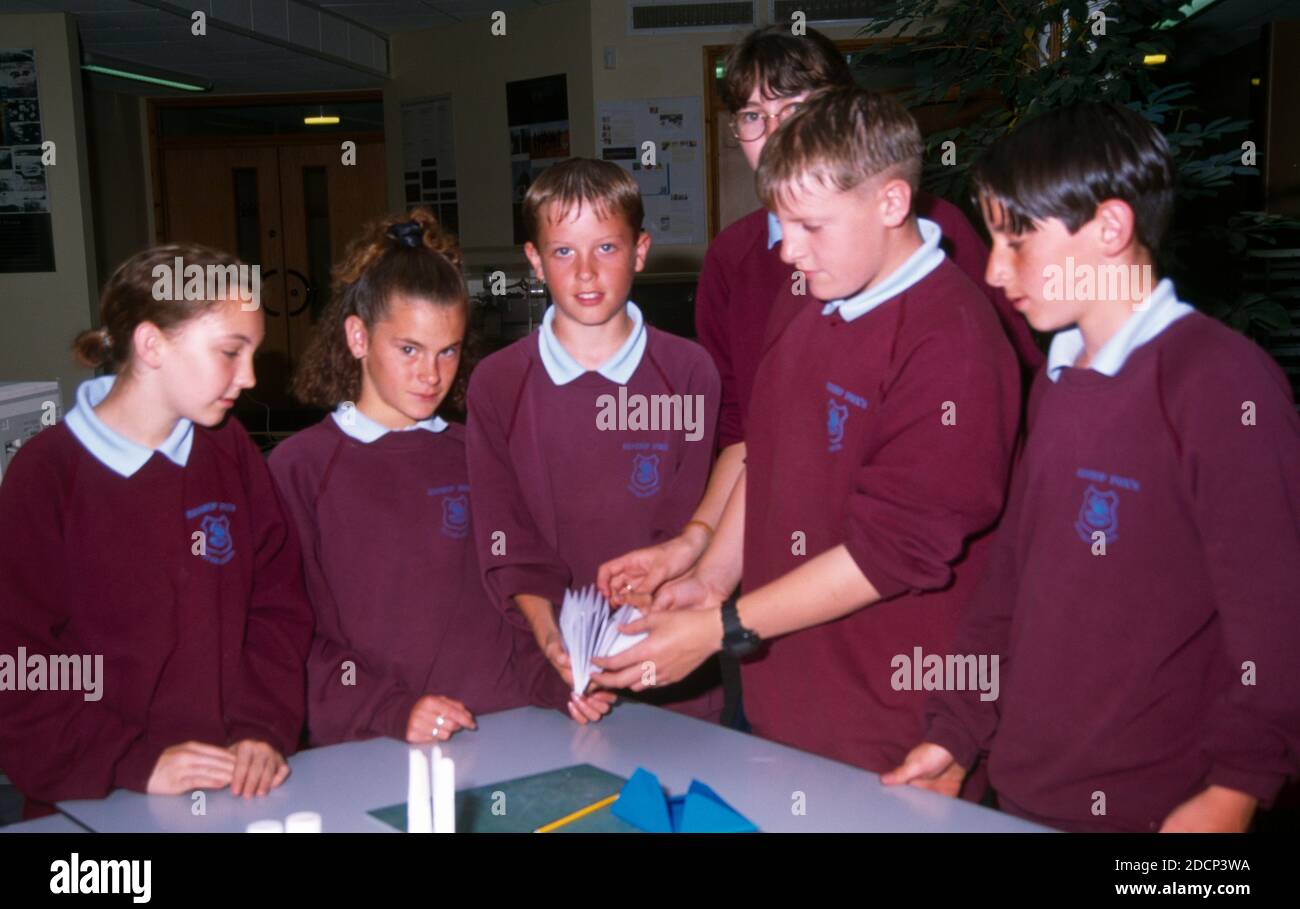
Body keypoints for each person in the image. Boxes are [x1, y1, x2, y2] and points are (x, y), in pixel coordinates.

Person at [884, 102, 1300, 832]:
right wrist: (956, 730)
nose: (992, 267)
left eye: (1018, 240)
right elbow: (1011, 579)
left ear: (1111, 227)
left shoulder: (1221, 383)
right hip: (1022, 792)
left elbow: (1275, 616)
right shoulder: (1058, 376)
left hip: (1163, 814)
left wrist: (1236, 788)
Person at [592, 88, 1021, 777]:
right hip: (783, 711)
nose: (788, 250)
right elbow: (766, 454)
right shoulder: (814, 292)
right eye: (781, 222)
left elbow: (890, 555)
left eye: (811, 226)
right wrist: (709, 580)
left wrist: (716, 629)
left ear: (890, 204)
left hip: (891, 732)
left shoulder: (952, 341)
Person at [597, 24, 1040, 607]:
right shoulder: (736, 258)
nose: (776, 129)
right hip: (776, 575)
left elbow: (1018, 397)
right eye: (754, 115)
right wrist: (697, 552)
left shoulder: (938, 241)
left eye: (797, 106)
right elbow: (746, 431)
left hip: (914, 586)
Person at [0, 243, 312, 815]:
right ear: (151, 345)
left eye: (253, 354)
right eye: (229, 352)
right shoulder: (46, 476)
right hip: (92, 800)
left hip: (229, 790)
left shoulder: (230, 451)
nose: (247, 377)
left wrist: (260, 728)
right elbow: (20, 664)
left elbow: (278, 607)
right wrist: (135, 761)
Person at [269, 209, 569, 746]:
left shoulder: (481, 453)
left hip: (506, 730)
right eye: (408, 349)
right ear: (358, 338)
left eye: (447, 351)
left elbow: (517, 599)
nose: (430, 374)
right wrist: (391, 710)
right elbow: (291, 637)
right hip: (373, 745)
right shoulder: (300, 469)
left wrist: (562, 681)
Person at [467, 158, 723, 722]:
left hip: (671, 669)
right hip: (547, 673)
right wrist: (553, 640)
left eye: (606, 248)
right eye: (563, 252)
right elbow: (506, 542)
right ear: (534, 260)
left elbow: (689, 528)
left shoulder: (689, 372)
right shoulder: (497, 384)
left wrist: (643, 606)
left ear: (640, 251)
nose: (585, 272)